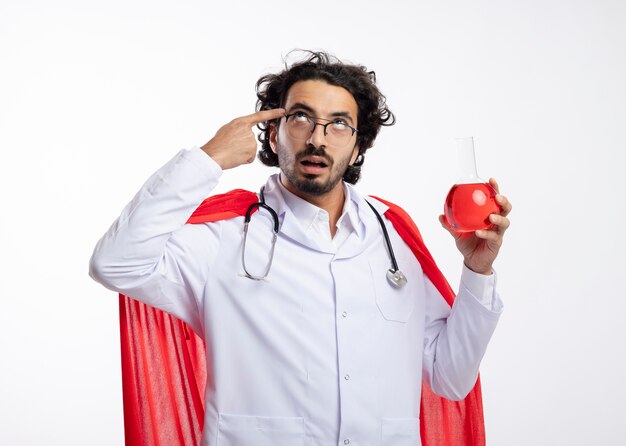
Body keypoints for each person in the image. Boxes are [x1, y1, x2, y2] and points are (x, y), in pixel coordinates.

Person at [90, 51, 512, 446]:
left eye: (339, 124)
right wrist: (208, 159)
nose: (317, 138)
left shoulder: (392, 237)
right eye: (300, 118)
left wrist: (478, 272)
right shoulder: (223, 237)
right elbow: (115, 264)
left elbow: (450, 377)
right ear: (272, 135)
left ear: (358, 145)